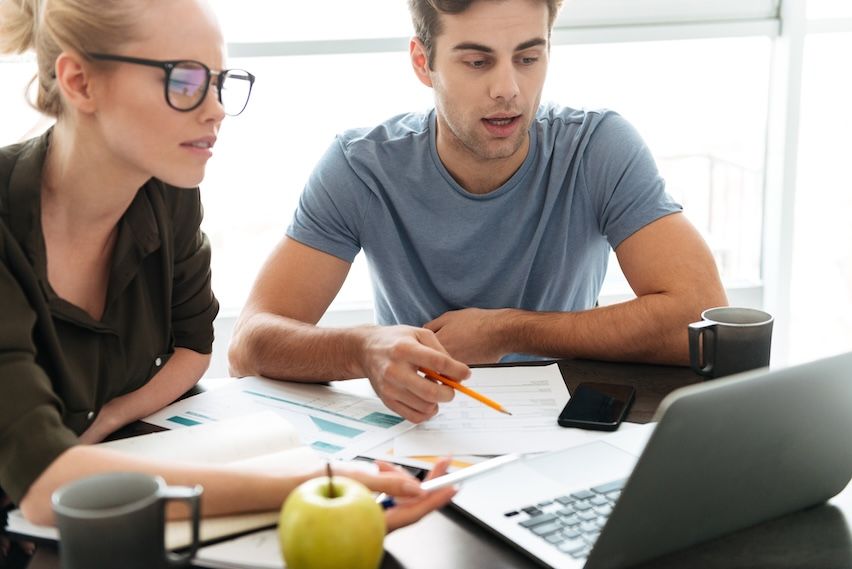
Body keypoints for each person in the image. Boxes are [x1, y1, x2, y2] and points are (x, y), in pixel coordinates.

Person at [0, 0, 453, 541]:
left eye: (219, 81)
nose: (215, 107)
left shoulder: (168, 193)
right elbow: (49, 486)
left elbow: (194, 349)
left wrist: (108, 418)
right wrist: (313, 487)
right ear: (80, 82)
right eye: (186, 80)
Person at [228, 0, 729, 423]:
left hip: (569, 425)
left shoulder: (597, 148)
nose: (508, 89)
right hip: (424, 428)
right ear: (423, 63)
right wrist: (363, 348)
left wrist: (504, 330)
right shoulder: (361, 167)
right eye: (477, 62)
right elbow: (249, 345)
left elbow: (703, 319)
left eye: (528, 58)